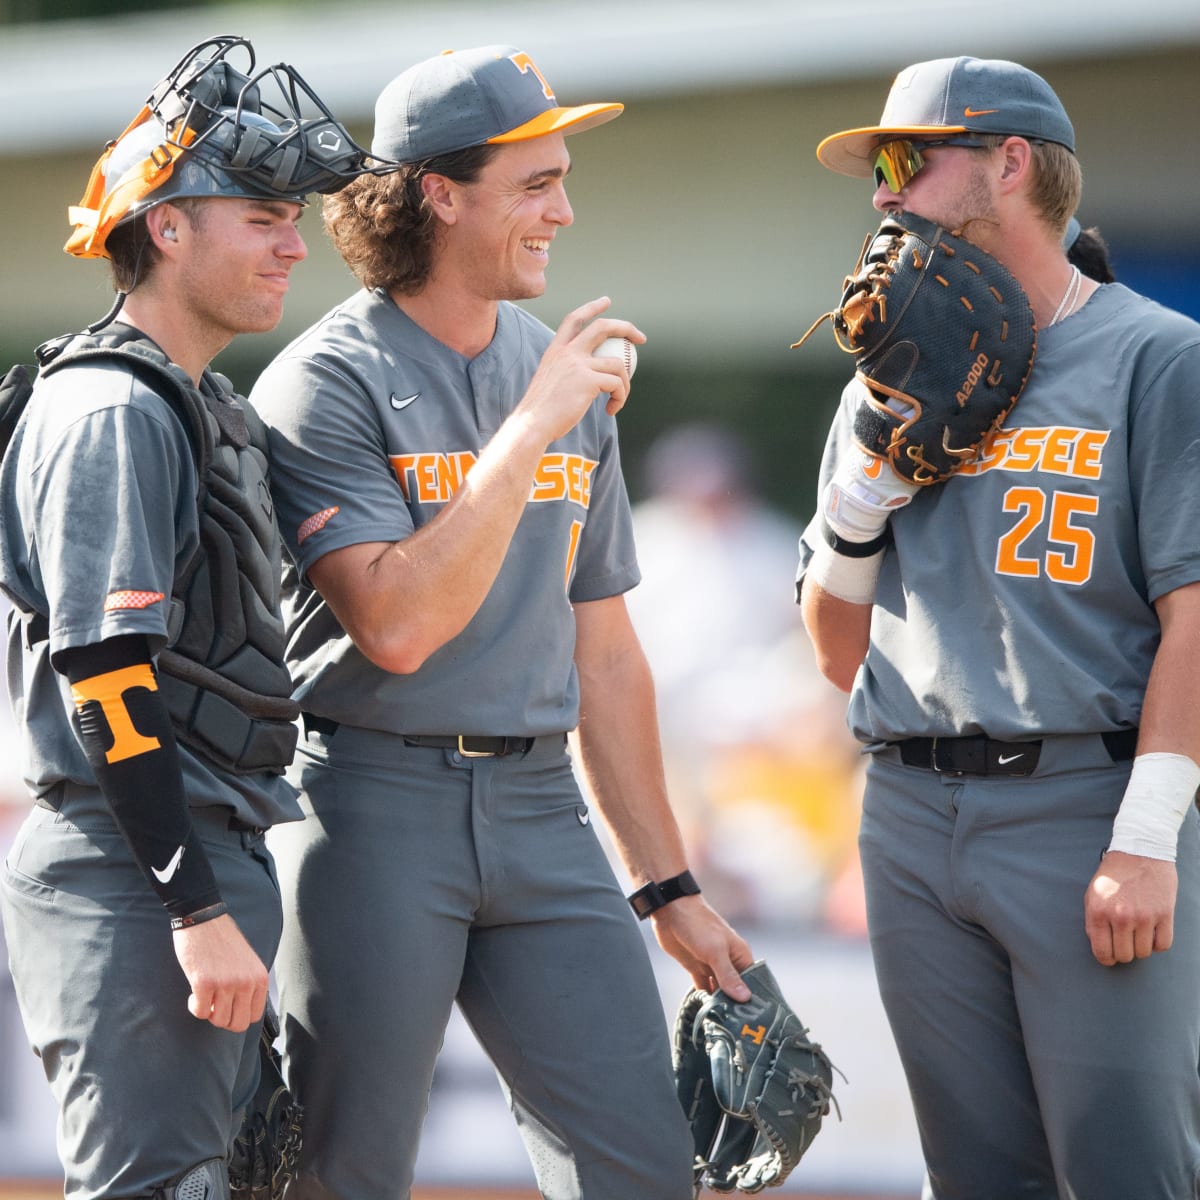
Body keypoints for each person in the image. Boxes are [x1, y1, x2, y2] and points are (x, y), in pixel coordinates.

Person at [248, 44, 753, 1200]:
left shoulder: (557, 370)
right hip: (371, 805)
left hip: (542, 810)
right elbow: (397, 629)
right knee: (342, 1176)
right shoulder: (326, 380)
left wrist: (666, 886)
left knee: (643, 1170)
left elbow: (607, 653)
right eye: (535, 184)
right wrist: (530, 429)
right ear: (439, 191)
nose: (564, 213)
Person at [795, 56, 1200, 1199]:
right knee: (971, 1175)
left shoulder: (1157, 357)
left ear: (1009, 164)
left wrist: (1149, 834)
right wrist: (860, 500)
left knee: (1128, 1167)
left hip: (1087, 806)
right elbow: (835, 654)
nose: (883, 192)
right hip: (912, 813)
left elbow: (1197, 619)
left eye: (905, 161)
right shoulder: (885, 372)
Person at [0, 36, 367, 1200]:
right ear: (167, 226)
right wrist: (194, 905)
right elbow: (103, 668)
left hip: (195, 849)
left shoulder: (209, 403)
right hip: (134, 863)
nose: (294, 243)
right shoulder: (112, 405)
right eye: (261, 214)